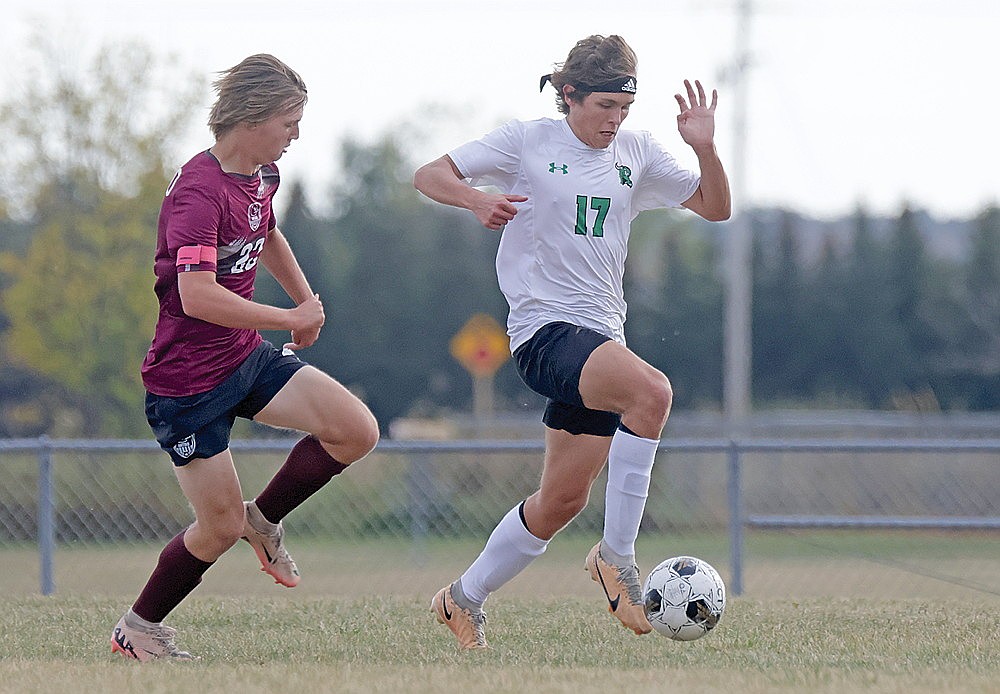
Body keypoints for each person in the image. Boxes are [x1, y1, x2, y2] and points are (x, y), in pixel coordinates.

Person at [413, 34, 730, 649]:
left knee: (560, 500)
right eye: (604, 106)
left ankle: (462, 598)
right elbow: (430, 174)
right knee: (652, 394)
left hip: (598, 339)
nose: (614, 120)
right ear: (570, 95)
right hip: (544, 333)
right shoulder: (528, 141)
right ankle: (618, 559)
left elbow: (715, 208)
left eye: (624, 108)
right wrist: (475, 198)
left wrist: (707, 149)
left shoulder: (636, 152)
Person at [111, 54, 380, 662]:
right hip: (187, 386)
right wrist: (289, 319)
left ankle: (267, 519)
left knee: (355, 429)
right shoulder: (198, 192)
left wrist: (305, 298)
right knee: (217, 529)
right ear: (253, 116)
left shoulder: (260, 177)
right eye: (290, 121)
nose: (296, 134)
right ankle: (138, 629)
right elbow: (196, 296)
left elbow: (269, 234)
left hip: (243, 358)